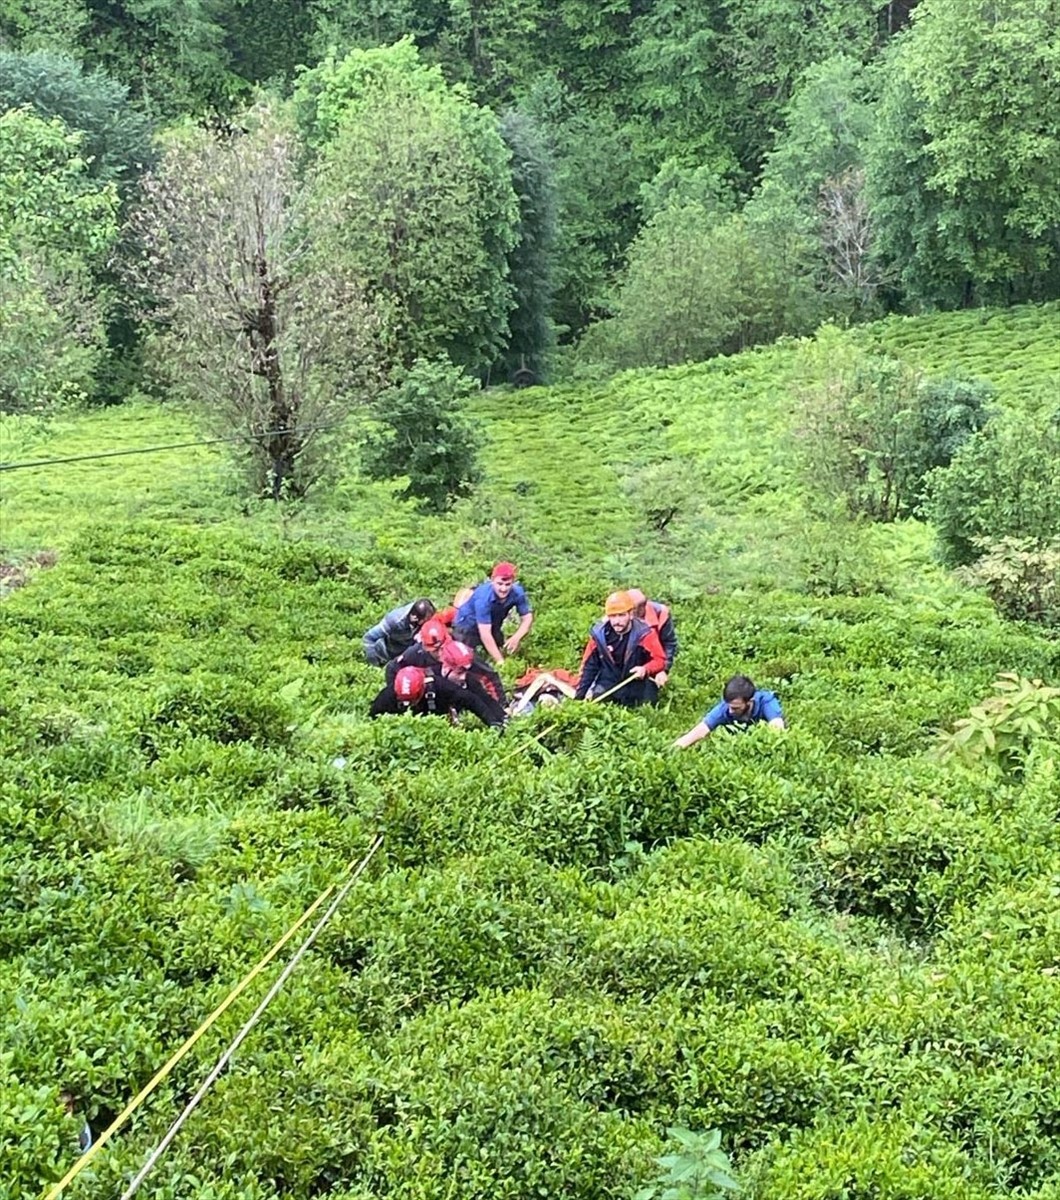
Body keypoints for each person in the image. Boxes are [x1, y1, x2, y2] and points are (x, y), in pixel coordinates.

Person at [369, 646, 507, 730]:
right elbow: (373, 717)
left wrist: (493, 722)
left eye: (412, 700)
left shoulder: (438, 685)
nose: (409, 703)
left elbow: (471, 700)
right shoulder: (389, 695)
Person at [575, 590, 667, 707]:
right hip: (608, 681)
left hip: (636, 681)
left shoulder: (645, 634)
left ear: (631, 614)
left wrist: (645, 669)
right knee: (598, 703)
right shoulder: (599, 636)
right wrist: (579, 698)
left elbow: (660, 660)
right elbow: (589, 668)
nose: (617, 621)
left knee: (648, 706)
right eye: (613, 616)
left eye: (621, 615)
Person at [386, 618, 507, 705]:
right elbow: (393, 668)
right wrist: (401, 694)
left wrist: (501, 705)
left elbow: (488, 676)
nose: (440, 653)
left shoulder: (459, 651)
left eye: (442, 647)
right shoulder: (415, 654)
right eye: (436, 650)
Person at [452, 562, 533, 668]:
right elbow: (485, 634)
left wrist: (516, 637)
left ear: (513, 582)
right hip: (467, 626)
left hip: (492, 623)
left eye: (507, 585)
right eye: (499, 584)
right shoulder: (483, 598)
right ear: (492, 581)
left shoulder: (517, 593)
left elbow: (527, 618)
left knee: (503, 649)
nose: (503, 589)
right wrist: (500, 662)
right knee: (466, 661)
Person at [673, 674, 786, 748]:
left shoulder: (767, 702)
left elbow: (777, 729)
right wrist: (674, 749)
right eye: (729, 706)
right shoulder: (725, 708)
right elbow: (701, 730)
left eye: (736, 708)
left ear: (750, 701)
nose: (730, 711)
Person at [627, 588, 678, 687]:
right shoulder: (619, 615)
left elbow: (669, 643)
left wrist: (663, 669)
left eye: (633, 609)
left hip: (654, 659)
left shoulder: (661, 614)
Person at [362, 598, 436, 667]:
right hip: (389, 653)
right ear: (416, 619)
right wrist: (374, 663)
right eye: (425, 620)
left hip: (409, 651)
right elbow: (369, 638)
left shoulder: (423, 613)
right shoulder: (394, 621)